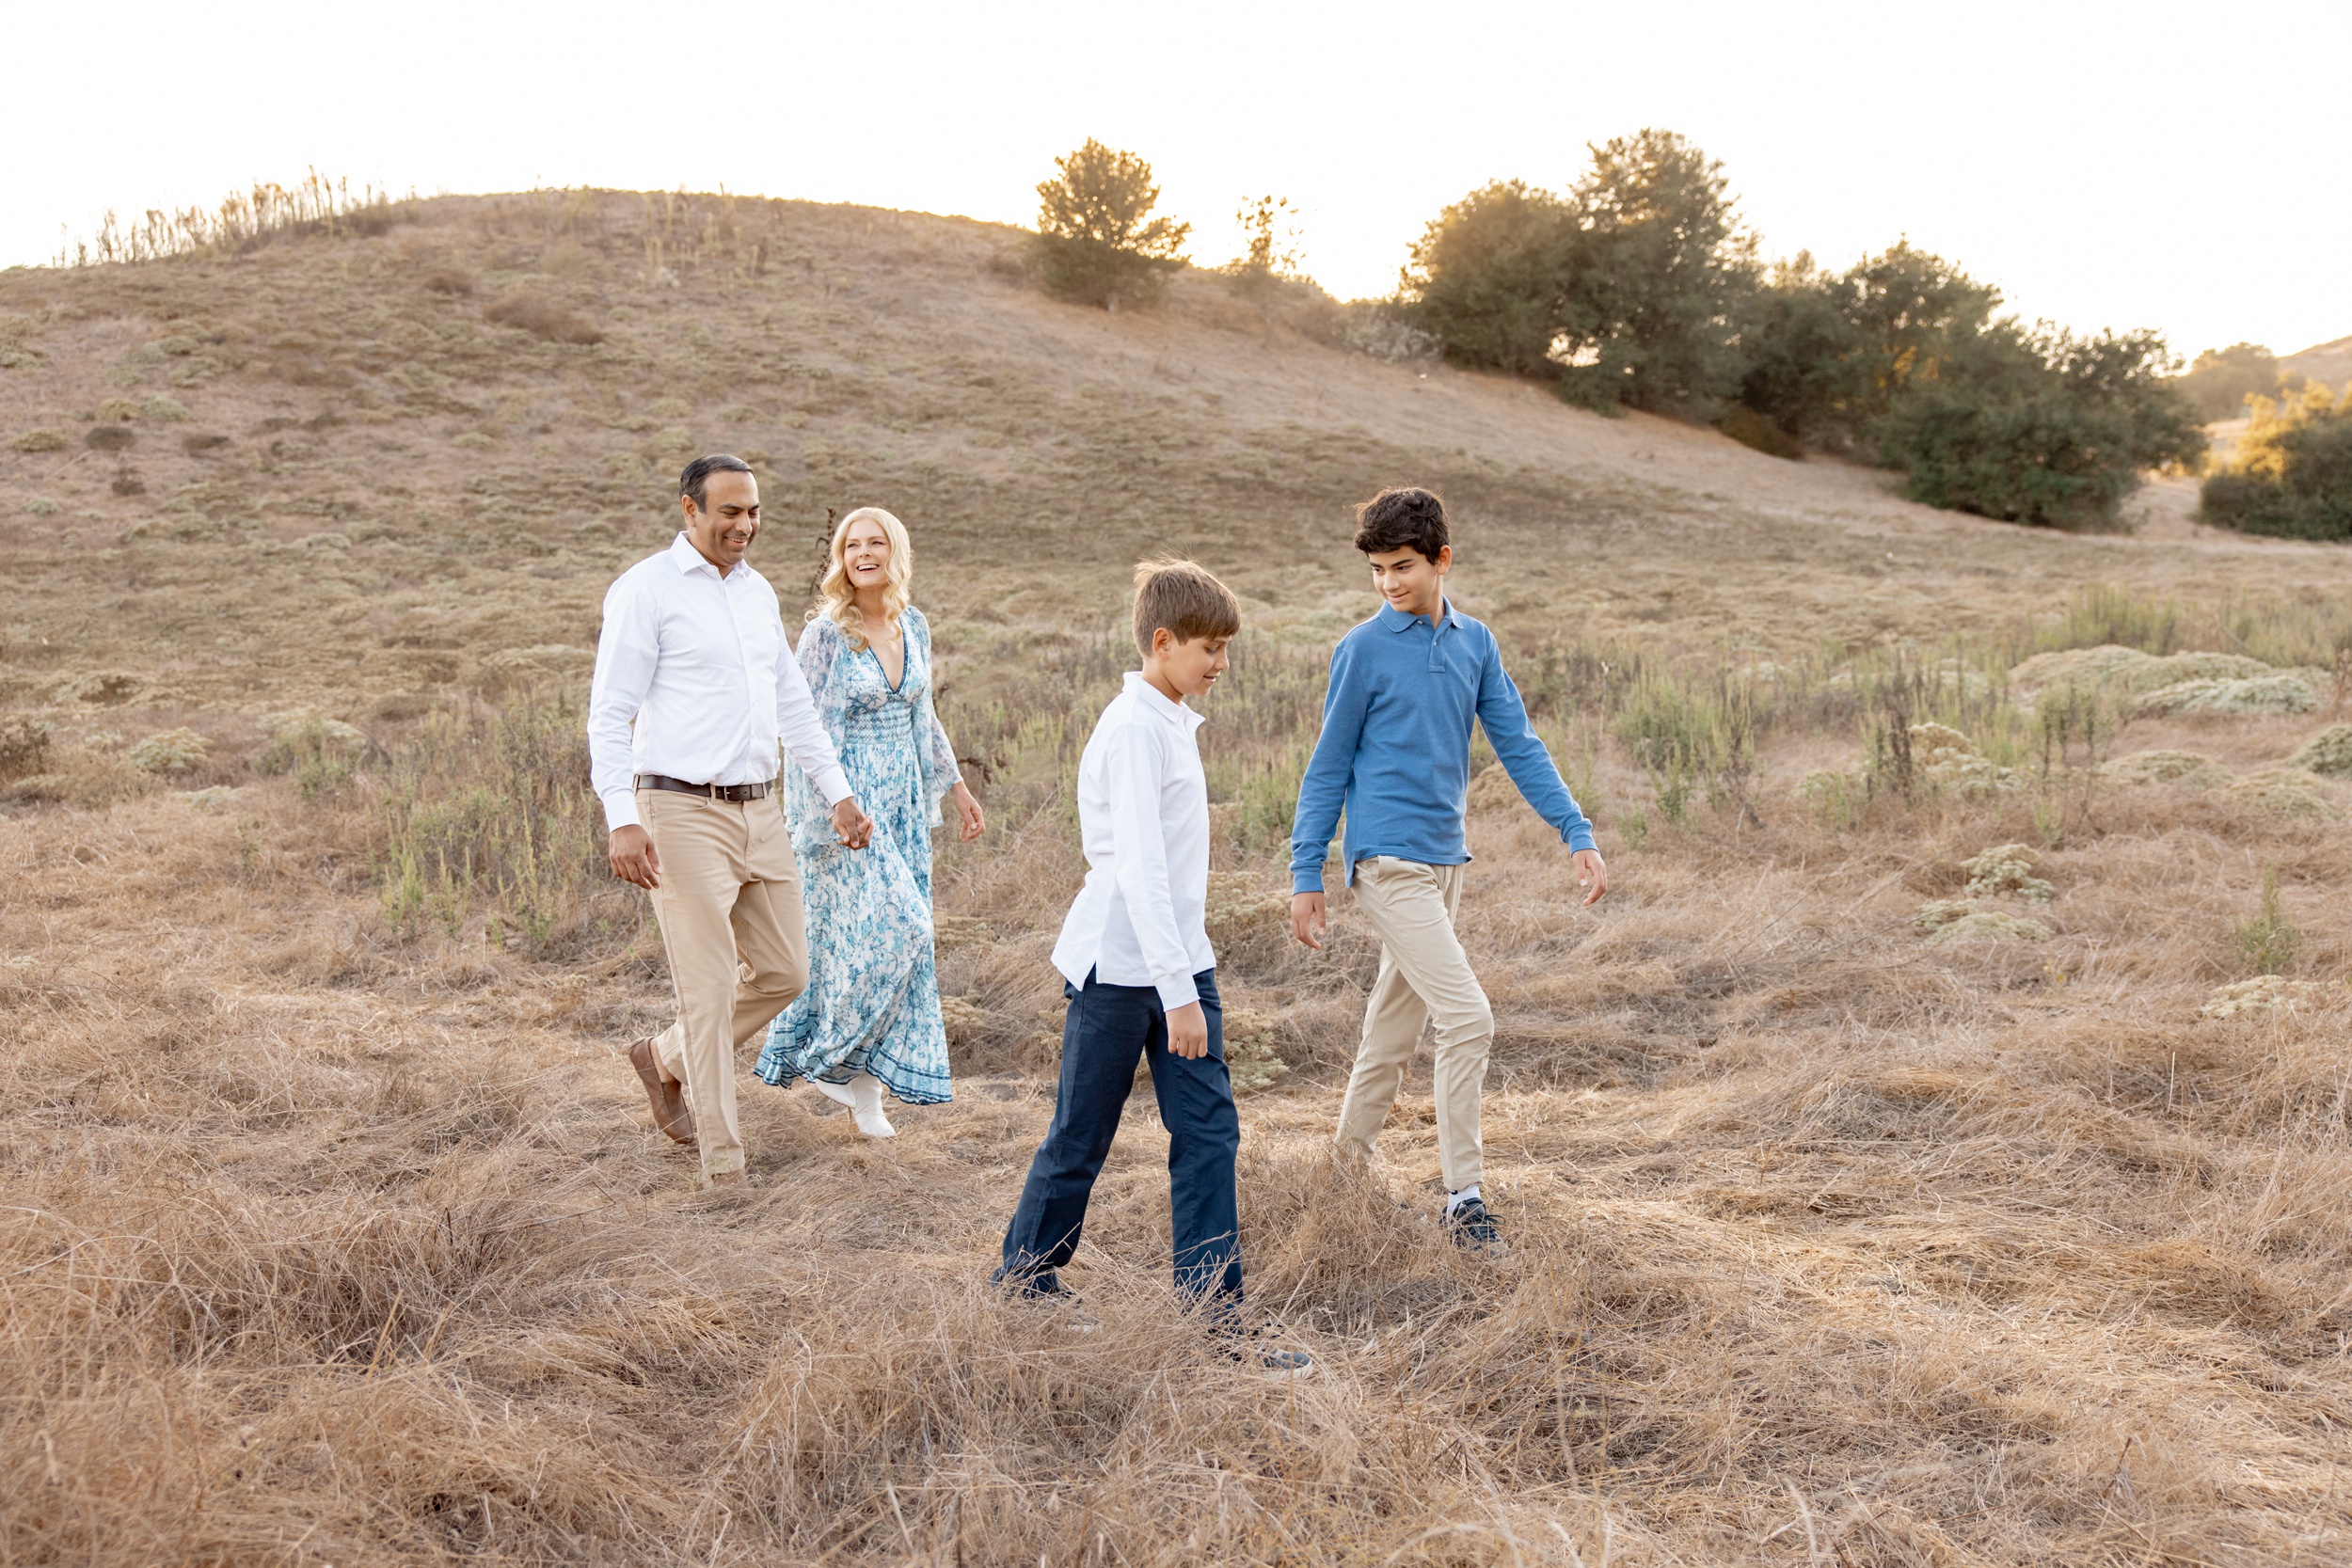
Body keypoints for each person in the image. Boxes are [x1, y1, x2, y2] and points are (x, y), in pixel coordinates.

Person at [995, 560, 1310, 1376]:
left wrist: (1188, 978)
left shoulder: (1168, 718)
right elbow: (1137, 869)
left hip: (1177, 961)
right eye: (1210, 647)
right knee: (1081, 1134)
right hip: (1119, 969)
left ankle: (1216, 1328)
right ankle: (1023, 1280)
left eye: (1227, 649)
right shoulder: (1134, 727)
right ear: (1162, 642)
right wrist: (1179, 996)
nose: (1222, 664)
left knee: (1209, 1136)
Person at [1288, 486, 1608, 1253]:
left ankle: (1340, 1181)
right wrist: (1307, 873)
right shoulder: (1361, 650)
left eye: (1402, 566)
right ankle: (1464, 1198)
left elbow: (1519, 744)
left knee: (1391, 1034)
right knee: (1469, 1018)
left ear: (1441, 560)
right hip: (1386, 864)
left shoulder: (1476, 643)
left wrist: (1576, 830)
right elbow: (1325, 767)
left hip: (1444, 864)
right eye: (1376, 570)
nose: (1389, 583)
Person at [589, 453, 875, 1189]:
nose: (744, 525)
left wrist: (837, 791)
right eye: (729, 512)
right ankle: (725, 1170)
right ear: (690, 511)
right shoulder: (645, 591)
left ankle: (665, 1059)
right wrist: (622, 816)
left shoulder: (756, 595)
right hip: (678, 811)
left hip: (760, 809)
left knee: (785, 970)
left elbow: (792, 706)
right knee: (710, 990)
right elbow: (610, 714)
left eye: (753, 512)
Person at [754, 507, 985, 1136]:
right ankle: (828, 1055)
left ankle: (866, 1090)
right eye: (852, 544)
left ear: (894, 551)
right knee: (894, 929)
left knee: (898, 946)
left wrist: (957, 788)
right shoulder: (826, 636)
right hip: (851, 809)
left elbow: (922, 715)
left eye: (875, 541)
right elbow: (805, 732)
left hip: (905, 802)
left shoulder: (914, 625)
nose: (863, 552)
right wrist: (834, 808)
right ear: (840, 557)